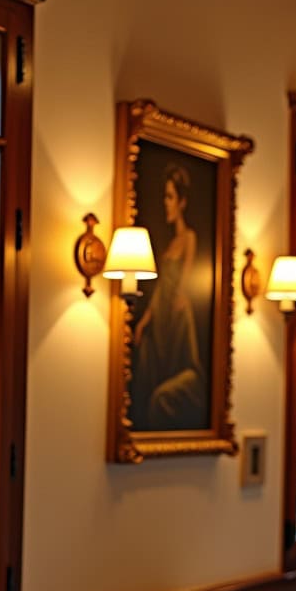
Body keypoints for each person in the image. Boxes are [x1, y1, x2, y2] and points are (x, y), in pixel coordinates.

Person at [130, 165, 206, 431]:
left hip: (174, 314)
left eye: (170, 197)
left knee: (175, 377)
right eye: (164, 196)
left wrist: (181, 299)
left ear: (182, 202)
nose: (166, 203)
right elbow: (161, 286)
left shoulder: (189, 238)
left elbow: (185, 279)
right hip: (160, 312)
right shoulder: (169, 245)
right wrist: (144, 320)